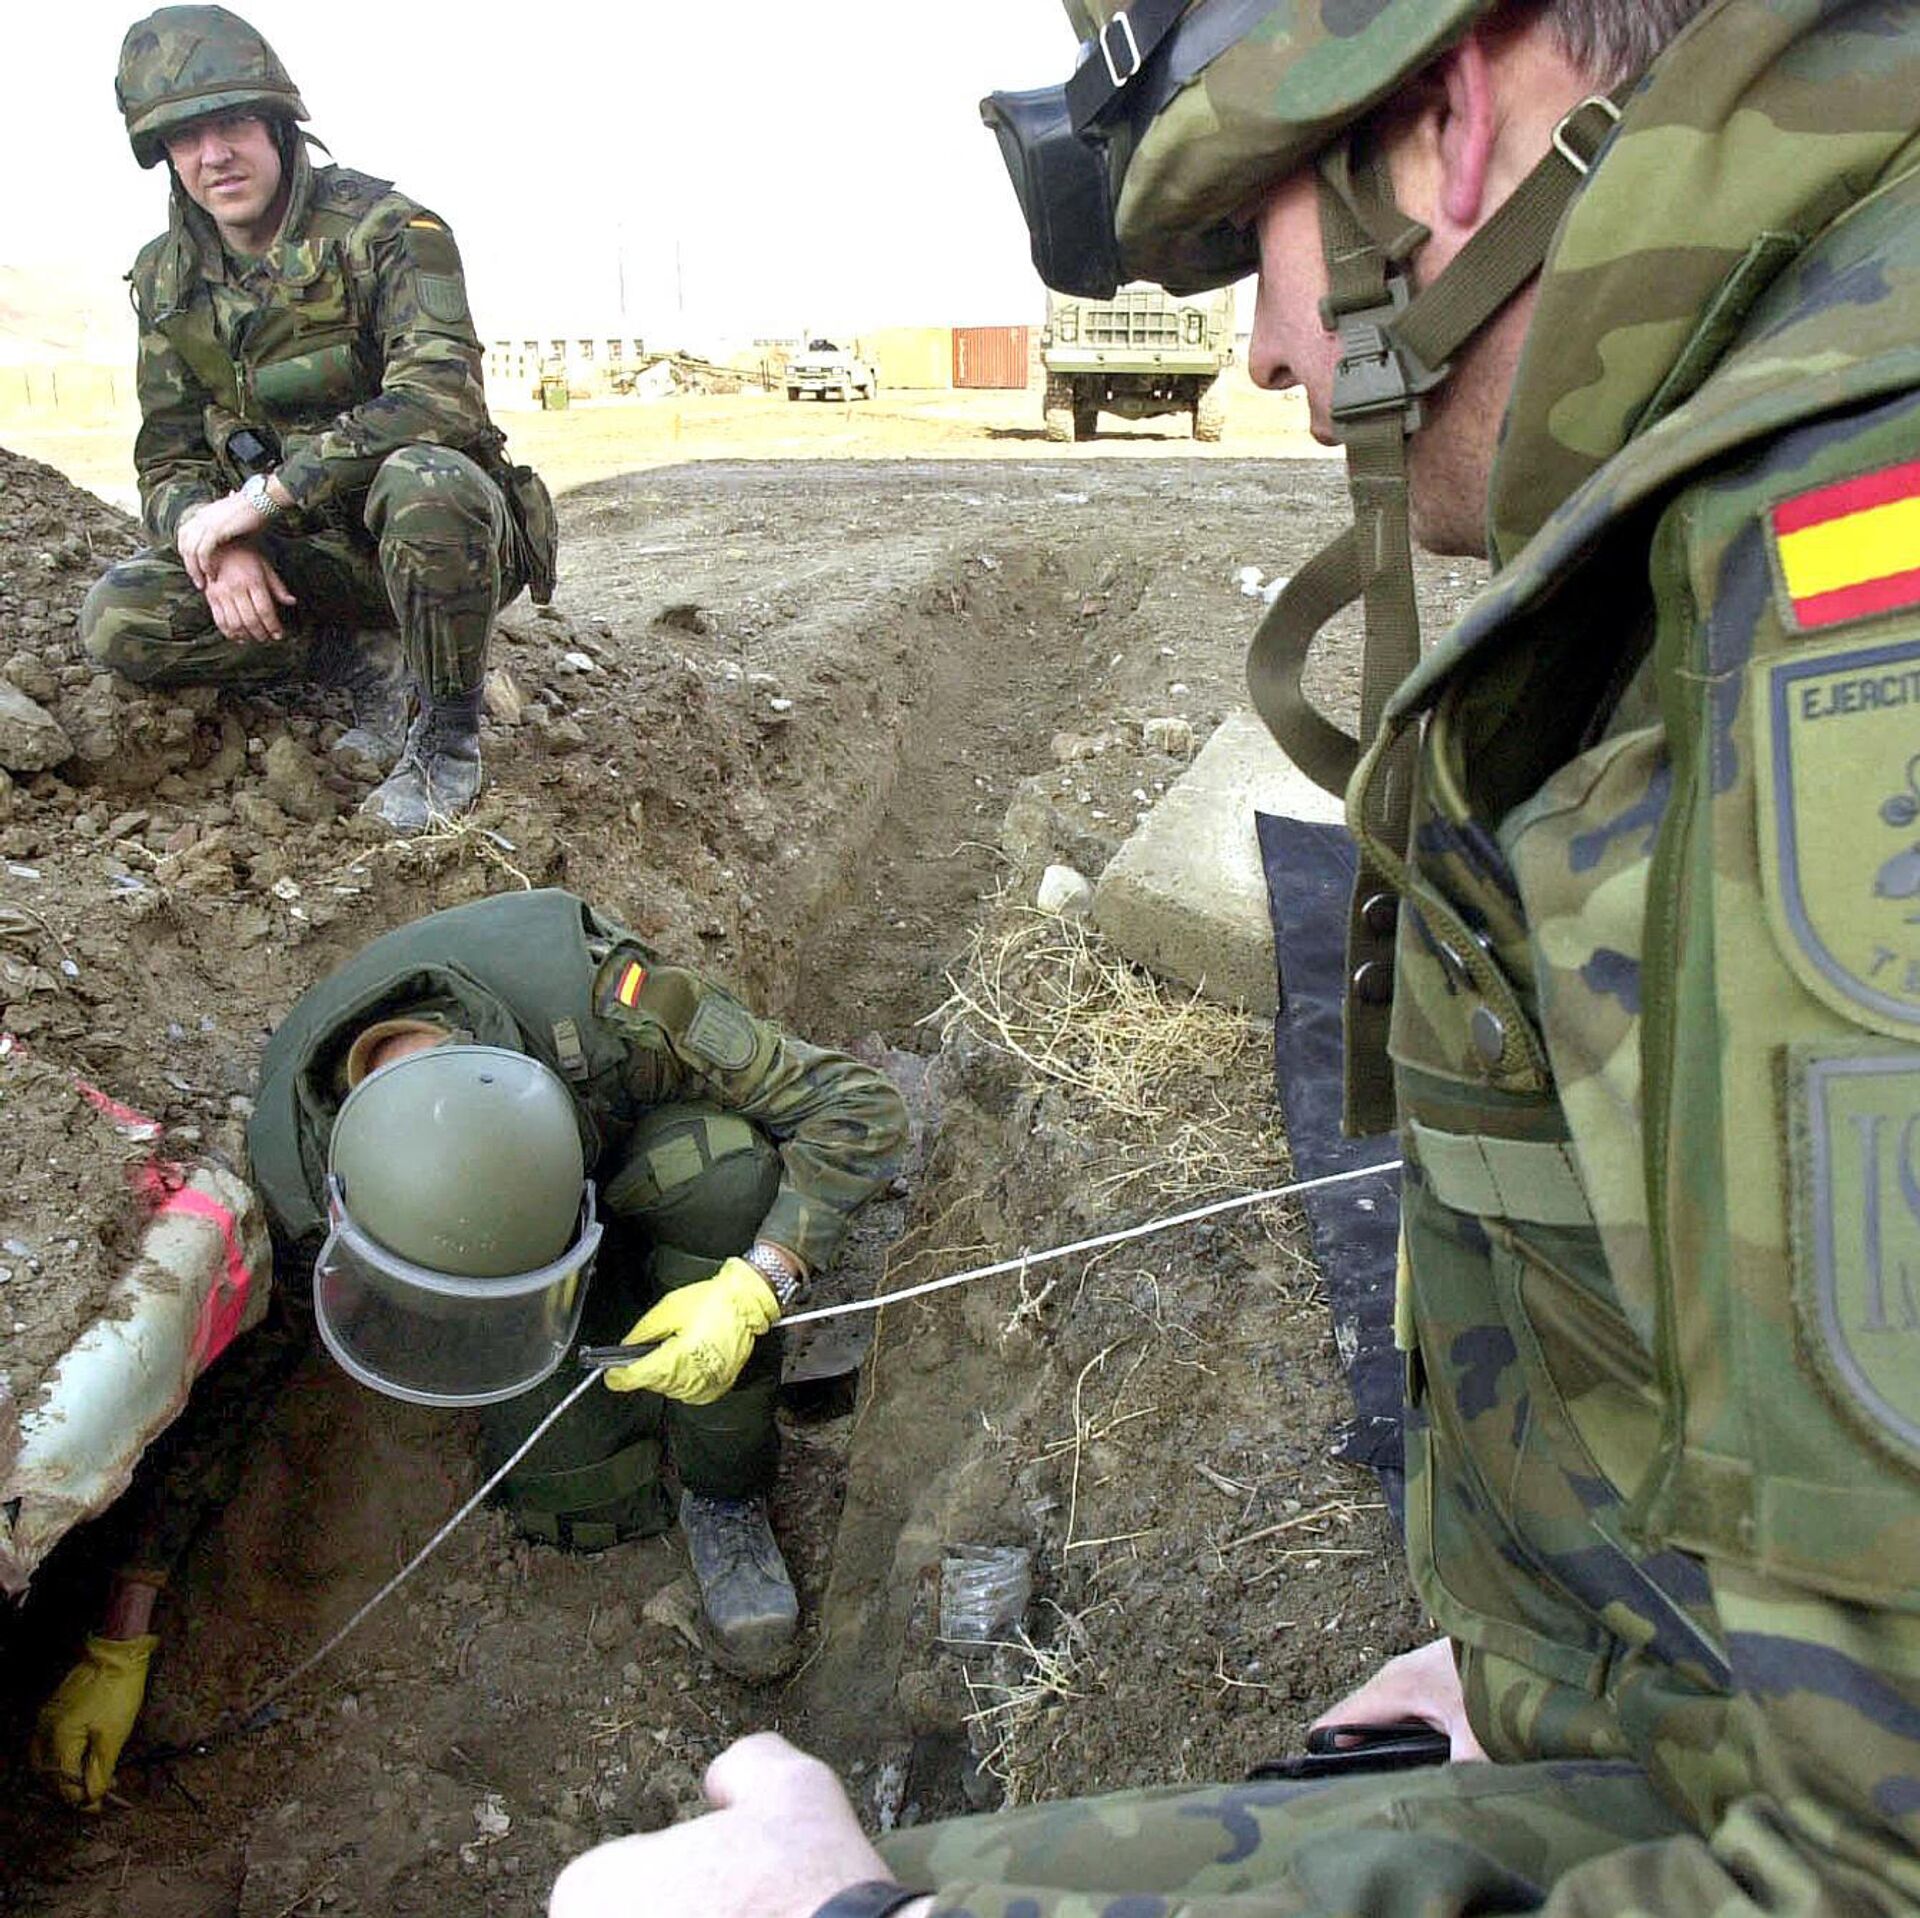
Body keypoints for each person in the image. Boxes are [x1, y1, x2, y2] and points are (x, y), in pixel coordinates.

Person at [550, 0, 1920, 1912]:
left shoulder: (1847, 586)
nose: (1268, 346)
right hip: (1668, 1713)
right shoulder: (1774, 431)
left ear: (1447, 116)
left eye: (1243, 235)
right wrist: (1550, 1666)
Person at [30, 887, 907, 1809]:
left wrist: (759, 1282)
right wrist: (122, 1634)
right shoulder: (294, 1173)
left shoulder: (612, 1012)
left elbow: (858, 1107)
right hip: (513, 1276)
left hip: (634, 1167)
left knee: (726, 1171)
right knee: (577, 1506)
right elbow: (231, 1388)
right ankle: (563, 1342)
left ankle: (726, 1494)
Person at [78, 5, 558, 835]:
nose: (214, 155)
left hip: (441, 538)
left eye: (232, 124)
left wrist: (265, 497)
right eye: (186, 137)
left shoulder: (390, 231)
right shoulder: (167, 279)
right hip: (302, 559)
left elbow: (439, 398)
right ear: (163, 155)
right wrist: (212, 539)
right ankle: (366, 662)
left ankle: (446, 739)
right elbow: (167, 458)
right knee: (118, 615)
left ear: (275, 125)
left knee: (426, 479)